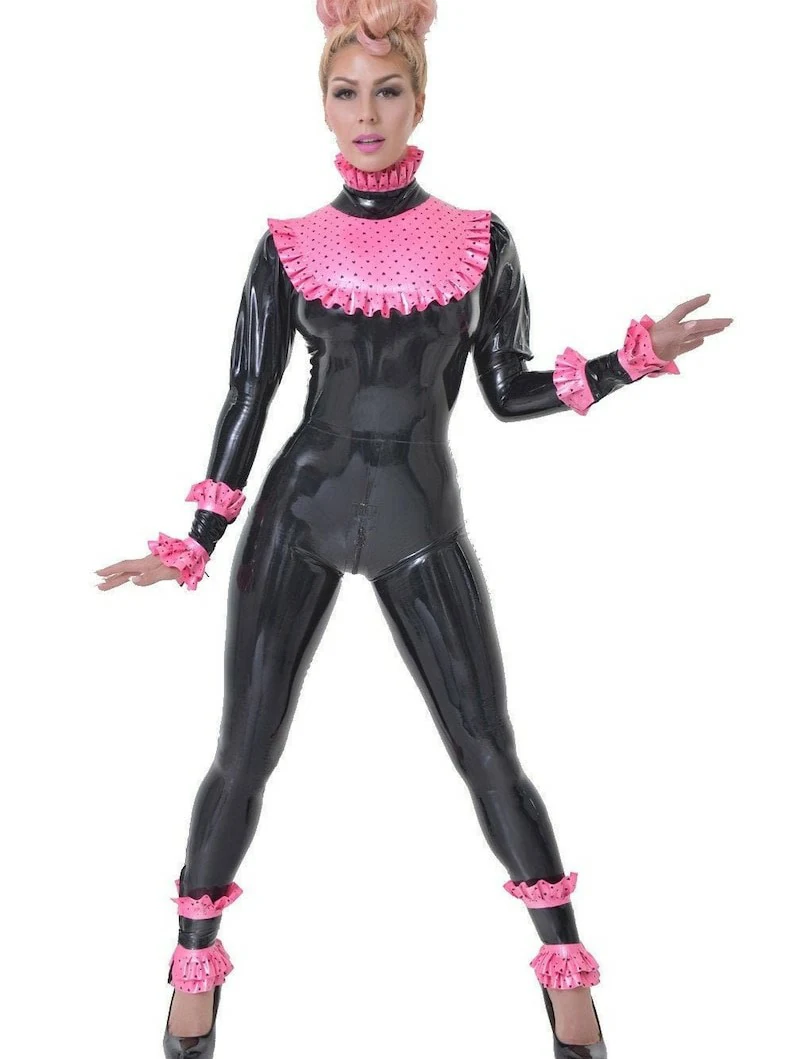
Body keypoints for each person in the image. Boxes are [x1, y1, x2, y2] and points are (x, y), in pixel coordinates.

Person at [95, 2, 732, 1056]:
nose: (366, 114)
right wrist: (196, 541)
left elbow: (509, 391)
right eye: (345, 92)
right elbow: (249, 397)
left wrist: (631, 358)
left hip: (419, 522)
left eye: (386, 91)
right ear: (322, 105)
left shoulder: (481, 241)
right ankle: (193, 965)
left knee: (487, 750)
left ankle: (566, 976)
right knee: (243, 752)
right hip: (298, 515)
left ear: (418, 100)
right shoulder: (288, 247)